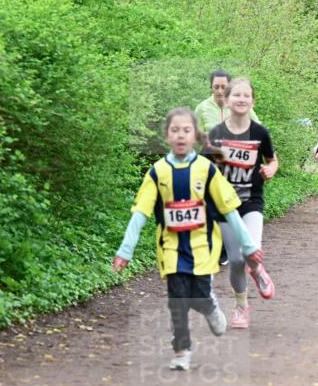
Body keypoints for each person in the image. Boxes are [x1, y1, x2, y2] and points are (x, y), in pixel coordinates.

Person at [113, 107, 265, 371]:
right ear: (167, 136)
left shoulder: (207, 170)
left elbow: (230, 210)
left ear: (195, 135)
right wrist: (126, 250)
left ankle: (209, 307)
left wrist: (249, 246)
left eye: (186, 130)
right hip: (170, 248)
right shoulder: (158, 172)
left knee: (199, 295)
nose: (181, 135)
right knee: (177, 299)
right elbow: (140, 213)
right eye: (175, 130)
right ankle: (181, 350)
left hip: (203, 247)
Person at [205, 78, 277, 329]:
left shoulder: (260, 133)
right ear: (226, 100)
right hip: (225, 206)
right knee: (235, 261)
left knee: (251, 250)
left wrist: (271, 169)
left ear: (252, 101)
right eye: (236, 95)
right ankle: (241, 306)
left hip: (251, 201)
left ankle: (257, 271)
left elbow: (272, 159)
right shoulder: (217, 134)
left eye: (246, 95)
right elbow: (206, 167)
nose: (242, 99)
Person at [195, 69, 260, 132]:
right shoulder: (202, 108)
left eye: (223, 87)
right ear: (211, 87)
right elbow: (195, 135)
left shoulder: (240, 105)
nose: (220, 91)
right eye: (216, 87)